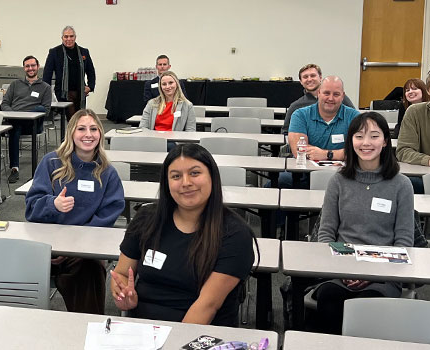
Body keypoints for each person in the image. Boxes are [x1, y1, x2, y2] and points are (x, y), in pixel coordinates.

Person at [110, 143, 255, 326]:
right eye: (176, 176)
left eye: (195, 173)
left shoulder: (235, 234)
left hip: (201, 335)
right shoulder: (146, 219)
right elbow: (122, 273)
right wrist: (122, 294)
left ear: (212, 177)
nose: (186, 182)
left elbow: (207, 306)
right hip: (144, 331)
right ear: (167, 183)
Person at [309, 112, 414, 334]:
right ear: (351, 141)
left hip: (384, 274)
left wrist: (369, 273)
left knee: (370, 307)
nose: (366, 143)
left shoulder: (401, 185)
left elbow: (404, 242)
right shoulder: (338, 181)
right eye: (359, 136)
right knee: (330, 301)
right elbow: (326, 233)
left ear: (385, 141)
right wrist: (346, 269)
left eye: (374, 136)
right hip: (340, 270)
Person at [26, 109, 125, 314]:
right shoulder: (51, 163)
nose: (88, 134)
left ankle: (86, 327)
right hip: (49, 244)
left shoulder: (107, 172)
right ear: (71, 133)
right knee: (10, 260)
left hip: (85, 248)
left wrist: (74, 246)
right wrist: (53, 204)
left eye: (93, 129)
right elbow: (31, 208)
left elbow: (109, 214)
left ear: (100, 134)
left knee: (89, 268)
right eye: (81, 129)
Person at [282, 76, 359, 188]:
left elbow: (358, 151)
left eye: (336, 94)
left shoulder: (354, 117)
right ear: (318, 93)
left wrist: (326, 154)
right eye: (326, 93)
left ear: (343, 96)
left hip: (344, 175)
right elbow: (299, 151)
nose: (331, 98)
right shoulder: (300, 115)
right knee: (277, 184)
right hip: (305, 174)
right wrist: (342, 154)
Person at [1, 55, 54, 183]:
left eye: (33, 66)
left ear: (38, 67)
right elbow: (5, 103)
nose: (30, 68)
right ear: (24, 68)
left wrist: (24, 115)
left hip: (34, 123)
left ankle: (17, 120)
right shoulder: (15, 84)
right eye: (27, 66)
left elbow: (46, 109)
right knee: (15, 128)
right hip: (15, 121)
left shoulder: (45, 87)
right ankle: (14, 168)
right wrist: (13, 114)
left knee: (39, 109)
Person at [283, 64, 356, 134]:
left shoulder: (340, 99)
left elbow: (354, 120)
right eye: (305, 77)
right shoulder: (296, 106)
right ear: (301, 81)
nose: (309, 79)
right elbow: (286, 131)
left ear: (320, 77)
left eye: (313, 75)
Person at [43, 26, 96, 116]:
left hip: (80, 92)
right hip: (63, 93)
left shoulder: (84, 52)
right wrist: (45, 93)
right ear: (62, 38)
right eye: (66, 36)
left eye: (71, 36)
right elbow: (47, 74)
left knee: (80, 117)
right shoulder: (54, 52)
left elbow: (91, 71)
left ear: (75, 37)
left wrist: (90, 86)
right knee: (71, 118)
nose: (69, 39)